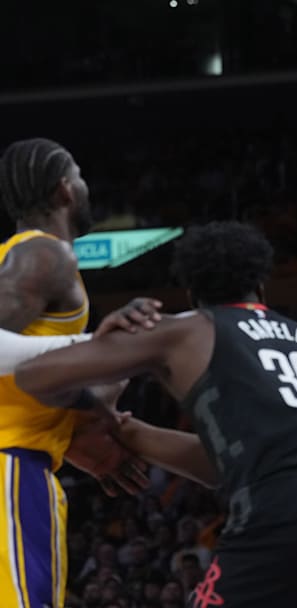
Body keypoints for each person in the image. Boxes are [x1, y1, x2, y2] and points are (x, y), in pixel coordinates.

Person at [13, 221, 297, 608]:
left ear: (191, 293)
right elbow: (219, 466)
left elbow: (34, 376)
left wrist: (98, 387)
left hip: (284, 503)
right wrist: (128, 432)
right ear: (260, 286)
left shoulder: (188, 328)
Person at [0, 137, 153, 607]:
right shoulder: (45, 254)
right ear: (65, 190)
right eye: (81, 176)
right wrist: (95, 350)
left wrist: (76, 423)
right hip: (10, 464)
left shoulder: (22, 255)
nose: (86, 187)